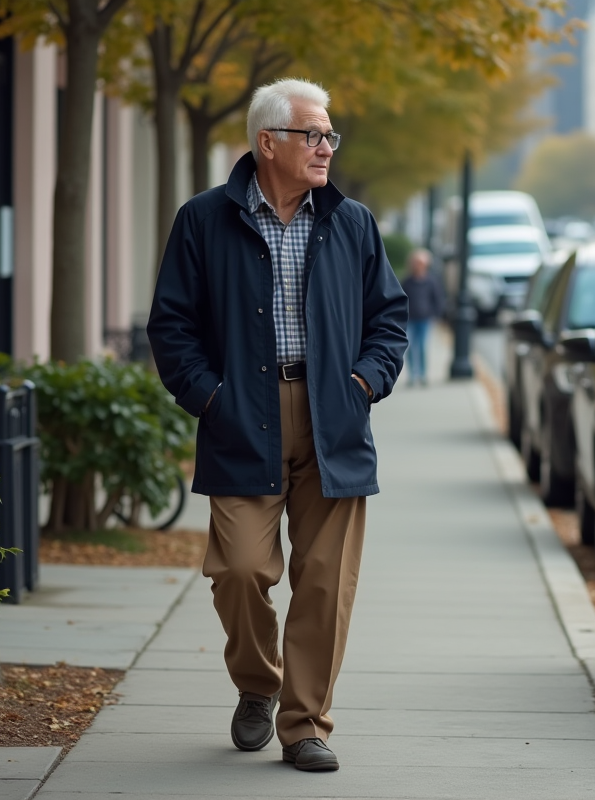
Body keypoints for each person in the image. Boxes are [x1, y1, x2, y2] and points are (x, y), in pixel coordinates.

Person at [146, 78, 407, 773]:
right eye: (313, 135)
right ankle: (258, 685)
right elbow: (170, 327)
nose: (326, 147)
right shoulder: (203, 220)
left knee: (324, 582)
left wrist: (363, 383)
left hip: (334, 420)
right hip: (241, 418)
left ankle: (305, 724)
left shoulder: (351, 222)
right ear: (269, 144)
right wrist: (210, 398)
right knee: (237, 571)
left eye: (330, 136)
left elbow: (390, 318)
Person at [400, 248, 444, 385]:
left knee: (422, 347)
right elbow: (401, 300)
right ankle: (413, 374)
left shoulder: (431, 281)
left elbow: (438, 299)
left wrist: (436, 314)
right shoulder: (407, 281)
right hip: (410, 319)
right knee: (411, 346)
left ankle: (423, 374)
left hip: (425, 319)